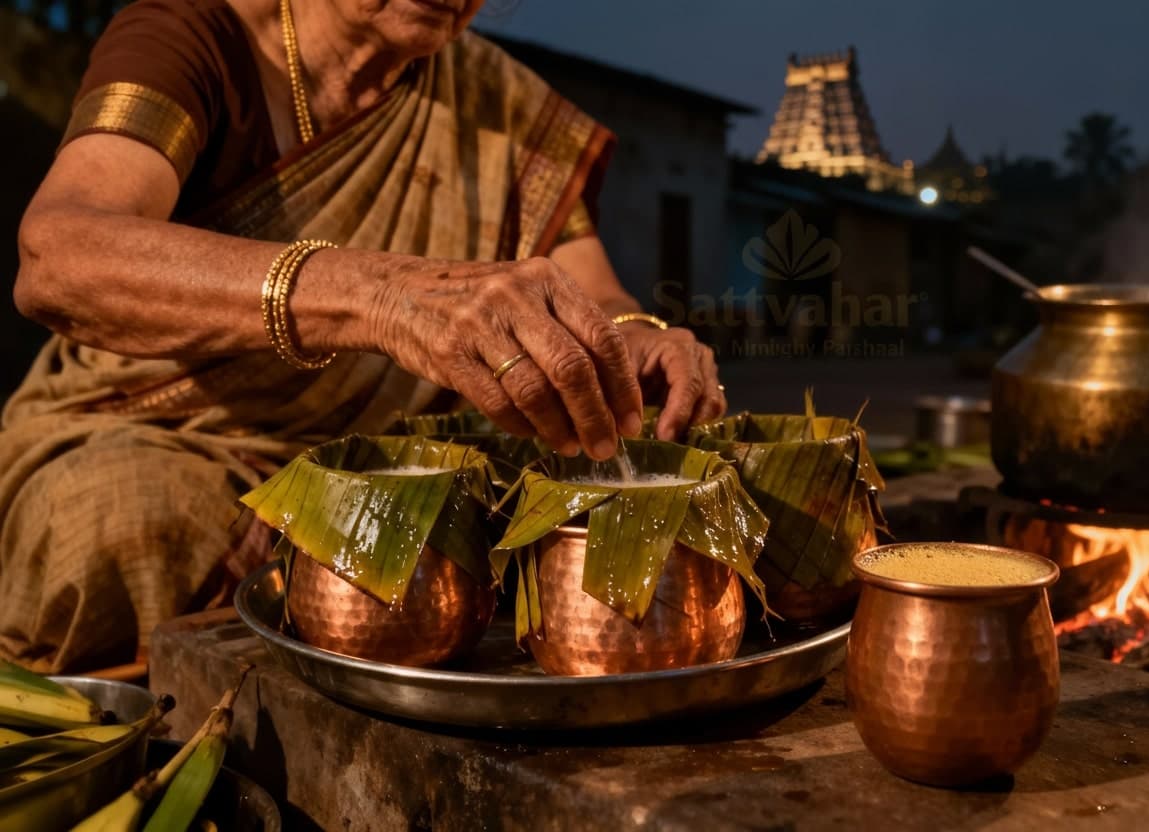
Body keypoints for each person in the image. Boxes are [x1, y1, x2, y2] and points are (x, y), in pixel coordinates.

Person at [2, 0, 726, 672]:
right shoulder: (195, 38)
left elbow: (592, 289)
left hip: (389, 468)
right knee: (116, 511)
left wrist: (632, 335)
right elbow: (59, 254)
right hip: (168, 435)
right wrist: (378, 298)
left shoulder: (496, 102)